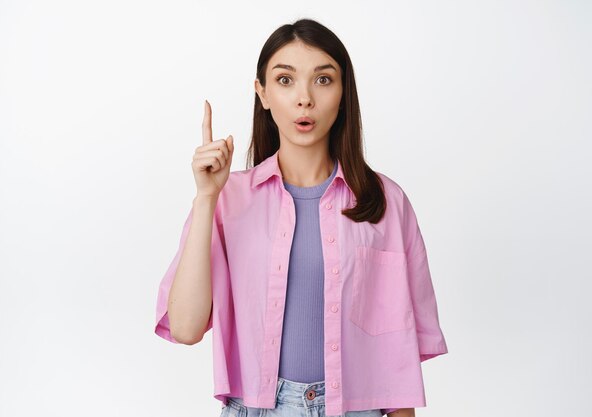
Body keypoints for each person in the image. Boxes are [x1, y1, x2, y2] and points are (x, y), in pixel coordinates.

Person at [154, 18, 448, 417]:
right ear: (263, 93)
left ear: (344, 93)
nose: (304, 98)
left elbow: (397, 365)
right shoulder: (228, 199)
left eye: (323, 80)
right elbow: (186, 328)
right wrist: (206, 198)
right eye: (286, 80)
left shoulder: (386, 203)